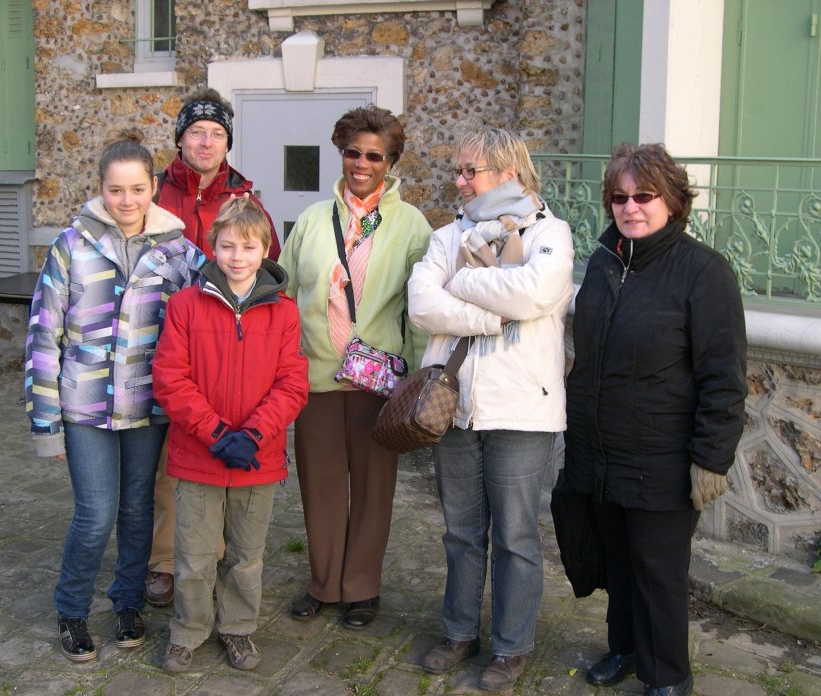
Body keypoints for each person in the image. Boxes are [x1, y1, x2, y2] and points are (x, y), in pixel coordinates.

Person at [564, 143, 747, 696]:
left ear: (672, 201)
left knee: (657, 570)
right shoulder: (603, 261)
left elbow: (724, 377)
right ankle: (624, 648)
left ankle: (668, 675)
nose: (631, 206)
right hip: (600, 447)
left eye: (644, 195)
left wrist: (710, 459)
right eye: (619, 197)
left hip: (663, 456)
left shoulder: (704, 273)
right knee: (617, 561)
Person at [24, 128, 202, 662]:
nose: (127, 201)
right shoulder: (71, 246)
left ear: (153, 187)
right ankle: (72, 610)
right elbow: (42, 333)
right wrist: (45, 422)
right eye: (116, 190)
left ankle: (127, 602)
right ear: (100, 189)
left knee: (138, 512)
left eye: (137, 189)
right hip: (86, 408)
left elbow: (215, 304)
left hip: (149, 407)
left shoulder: (179, 252)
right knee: (96, 513)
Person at [408, 124, 574, 692]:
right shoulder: (446, 234)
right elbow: (422, 303)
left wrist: (465, 280)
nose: (458, 180)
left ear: (506, 173)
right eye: (459, 169)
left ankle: (511, 645)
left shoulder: (551, 231)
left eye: (469, 170)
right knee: (460, 531)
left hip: (523, 409)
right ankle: (459, 631)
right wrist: (489, 311)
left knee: (516, 535)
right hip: (455, 406)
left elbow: (534, 293)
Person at [278, 105, 432, 630]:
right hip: (317, 375)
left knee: (372, 488)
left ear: (390, 162)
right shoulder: (314, 220)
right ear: (340, 153)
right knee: (320, 486)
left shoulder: (411, 224)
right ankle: (324, 583)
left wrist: (415, 376)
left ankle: (362, 587)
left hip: (379, 382)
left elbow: (419, 306)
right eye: (352, 152)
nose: (361, 163)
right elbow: (287, 293)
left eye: (374, 155)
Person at [152, 195, 309, 673]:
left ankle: (238, 627)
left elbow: (292, 382)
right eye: (226, 246)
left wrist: (255, 434)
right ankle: (188, 629)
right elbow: (169, 378)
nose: (237, 257)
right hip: (200, 453)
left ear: (265, 250)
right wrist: (216, 432)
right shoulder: (185, 306)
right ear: (212, 249)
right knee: (195, 555)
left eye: (247, 246)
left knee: (245, 556)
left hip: (256, 459)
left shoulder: (283, 312)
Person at [146, 86, 281, 608]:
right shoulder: (156, 192)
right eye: (196, 132)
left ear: (228, 142)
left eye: (217, 134)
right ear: (180, 138)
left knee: (217, 461)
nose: (206, 142)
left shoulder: (245, 200)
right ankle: (163, 561)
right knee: (168, 464)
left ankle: (217, 559)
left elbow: (269, 275)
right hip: (162, 343)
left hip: (227, 348)